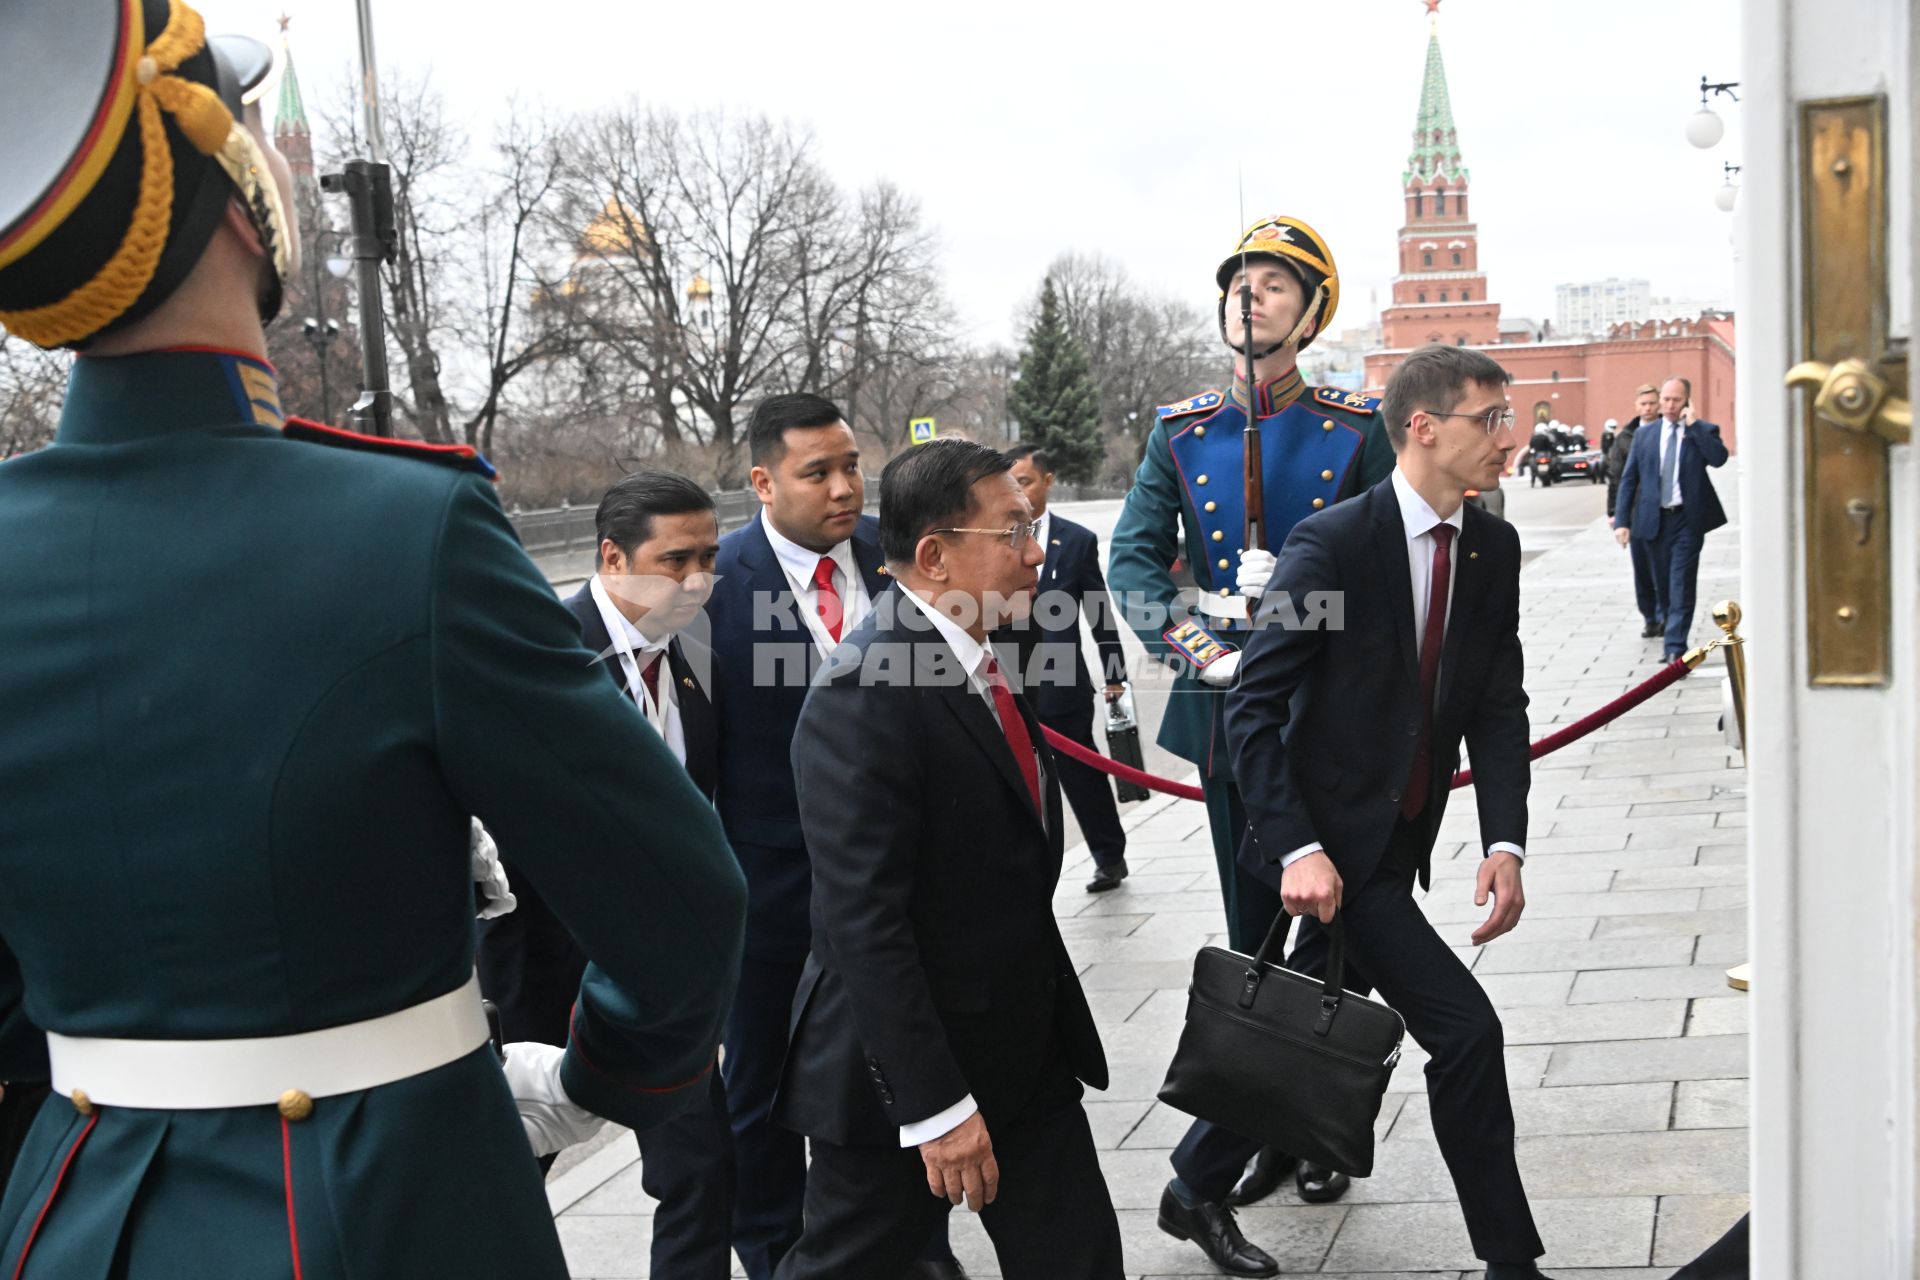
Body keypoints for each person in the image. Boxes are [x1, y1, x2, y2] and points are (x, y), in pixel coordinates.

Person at [0, 6, 745, 1277]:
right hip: (389, 1200)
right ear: (243, 202)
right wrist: (603, 1071)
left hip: (72, 1209)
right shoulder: (410, 524)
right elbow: (680, 899)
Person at [1222, 343, 1555, 1280]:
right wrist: (1295, 847)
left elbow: (1497, 702)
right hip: (1333, 847)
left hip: (1401, 835)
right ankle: (1510, 1261)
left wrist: (1504, 838)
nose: (1508, 436)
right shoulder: (1334, 544)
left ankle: (1190, 1183)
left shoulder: (1493, 546)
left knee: (1300, 1033)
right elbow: (1255, 709)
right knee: (1465, 1031)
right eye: (1490, 418)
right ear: (1423, 426)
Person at [773, 439, 1124, 1280]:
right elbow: (863, 921)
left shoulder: (981, 649)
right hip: (901, 1078)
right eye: (1013, 532)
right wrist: (933, 1106)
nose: (1037, 552)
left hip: (1023, 1052)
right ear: (934, 555)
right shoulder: (863, 690)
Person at [1110, 215, 1389, 1271]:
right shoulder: (1181, 432)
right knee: (1258, 932)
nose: (1251, 296)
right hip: (1231, 709)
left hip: (1325, 704)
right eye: (1240, 281)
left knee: (1339, 931)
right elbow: (1136, 558)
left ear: (1311, 310)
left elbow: (1385, 558)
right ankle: (1274, 1129)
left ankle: (1311, 1125)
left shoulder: (1354, 424)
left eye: (1275, 284)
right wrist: (1192, 644)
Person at [704, 394, 960, 1279]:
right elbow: (699, 767)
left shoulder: (903, 560)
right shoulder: (713, 587)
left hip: (902, 893)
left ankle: (921, 1252)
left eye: (853, 465)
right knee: (762, 1096)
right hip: (772, 902)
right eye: (819, 473)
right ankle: (778, 1255)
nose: (846, 488)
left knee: (906, 1075)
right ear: (764, 480)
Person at [477, 470, 735, 1279]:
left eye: (710, 558)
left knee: (701, 1172)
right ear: (612, 558)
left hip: (656, 982)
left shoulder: (699, 651)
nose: (697, 582)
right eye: (675, 560)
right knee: (497, 1184)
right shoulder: (538, 656)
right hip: (542, 972)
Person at [995, 443, 1131, 892]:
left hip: (1063, 687)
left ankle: (1109, 857)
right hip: (1009, 687)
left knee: (1082, 776)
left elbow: (1100, 614)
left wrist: (1115, 675)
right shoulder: (995, 539)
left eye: (1027, 481)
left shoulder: (1075, 541)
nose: (1020, 490)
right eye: (1012, 482)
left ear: (1048, 480)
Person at [1612, 376, 1730, 661]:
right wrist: (1621, 521)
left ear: (1687, 401)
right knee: (1663, 584)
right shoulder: (1645, 436)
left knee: (1681, 583)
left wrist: (1696, 426)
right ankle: (1668, 626)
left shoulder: (1700, 431)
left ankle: (1675, 648)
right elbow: (1628, 479)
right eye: (1666, 399)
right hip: (1654, 521)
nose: (1669, 405)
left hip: (1687, 521)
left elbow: (1719, 458)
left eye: (1676, 400)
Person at [1607, 385, 1663, 638]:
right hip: (1635, 512)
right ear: (1636, 406)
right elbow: (1616, 478)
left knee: (1662, 567)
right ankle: (1650, 617)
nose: (1648, 408)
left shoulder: (1668, 432)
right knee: (1642, 569)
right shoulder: (1625, 438)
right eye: (1644, 404)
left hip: (1664, 510)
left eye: (1652, 403)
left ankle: (1665, 615)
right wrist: (1616, 516)